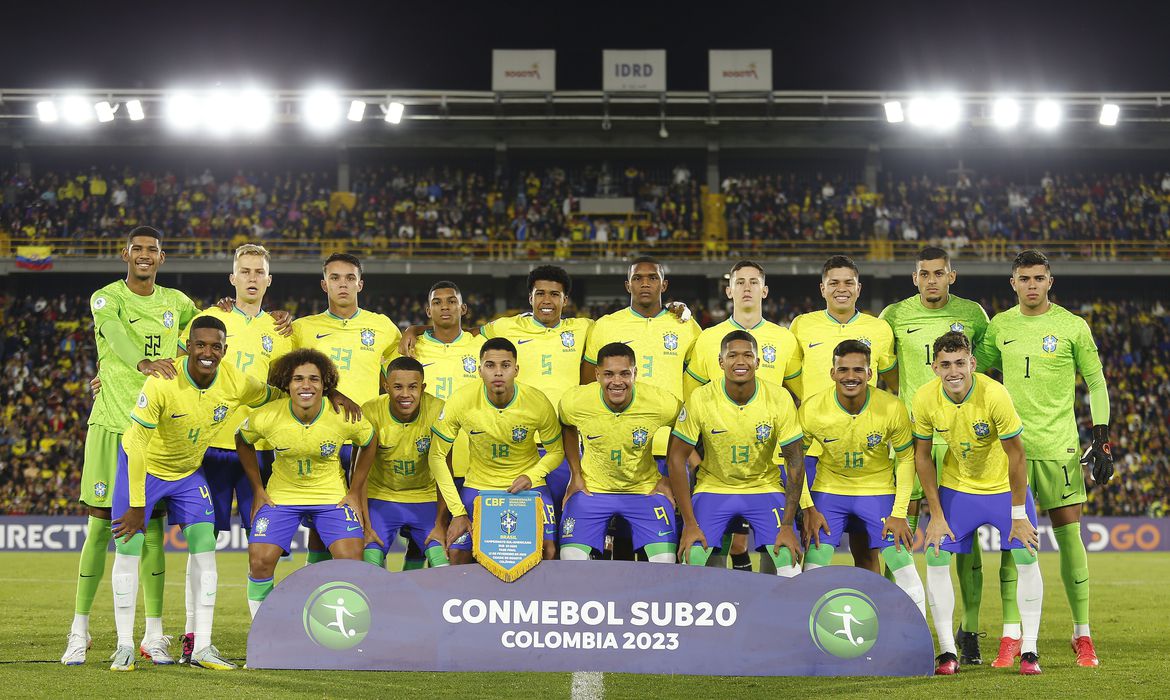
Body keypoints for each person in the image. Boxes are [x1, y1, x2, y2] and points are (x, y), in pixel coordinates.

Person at [63, 226, 200, 666]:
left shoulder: (177, 303)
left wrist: (229, 311)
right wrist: (140, 362)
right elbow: (116, 337)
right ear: (125, 253)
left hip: (156, 432)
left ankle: (154, 634)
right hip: (112, 425)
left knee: (153, 532)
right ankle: (78, 630)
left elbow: (205, 339)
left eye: (152, 251)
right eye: (137, 249)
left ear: (162, 257)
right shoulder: (107, 297)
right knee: (100, 527)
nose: (144, 256)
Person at [109, 316, 277, 671]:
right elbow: (137, 443)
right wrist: (137, 506)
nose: (207, 352)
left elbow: (272, 394)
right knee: (129, 546)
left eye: (215, 346)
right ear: (187, 347)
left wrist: (317, 392)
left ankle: (202, 646)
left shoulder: (234, 380)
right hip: (143, 467)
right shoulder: (163, 381)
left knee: (205, 547)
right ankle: (124, 645)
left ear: (224, 350)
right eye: (200, 345)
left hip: (187, 474)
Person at [976, 249, 1112, 668]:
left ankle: (1082, 634)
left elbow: (1096, 380)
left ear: (1049, 281)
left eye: (1038, 278)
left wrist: (1102, 436)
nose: (1031, 285)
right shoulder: (1000, 326)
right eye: (1024, 278)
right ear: (1012, 283)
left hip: (1059, 448)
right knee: (1012, 543)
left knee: (1070, 538)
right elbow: (972, 374)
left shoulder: (1072, 326)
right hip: (1011, 450)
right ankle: (1011, 634)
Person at [176, 243, 291, 662]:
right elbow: (174, 367)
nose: (252, 277)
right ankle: (193, 636)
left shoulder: (282, 331)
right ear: (233, 277)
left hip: (258, 452)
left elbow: (287, 390)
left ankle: (265, 639)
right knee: (201, 546)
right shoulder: (210, 320)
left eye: (259, 271)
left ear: (268, 279)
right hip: (207, 449)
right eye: (245, 271)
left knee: (262, 549)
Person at [879, 246, 993, 664]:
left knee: (963, 542)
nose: (931, 279)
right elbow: (882, 367)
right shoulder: (894, 315)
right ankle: (895, 624)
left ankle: (969, 629)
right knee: (899, 531)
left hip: (964, 446)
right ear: (914, 278)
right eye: (924, 273)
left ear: (951, 276)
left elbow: (980, 367)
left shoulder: (975, 315)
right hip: (911, 444)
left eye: (938, 273)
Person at [913, 331, 1043, 676]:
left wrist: (1018, 515)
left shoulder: (995, 395)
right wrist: (936, 515)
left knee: (1027, 554)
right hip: (958, 488)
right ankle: (946, 652)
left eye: (959, 363)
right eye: (945, 364)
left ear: (972, 363)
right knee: (936, 554)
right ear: (934, 367)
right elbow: (922, 457)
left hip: (1004, 489)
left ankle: (1029, 649)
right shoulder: (925, 399)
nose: (953, 371)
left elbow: (1017, 454)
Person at [236, 349, 376, 618]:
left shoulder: (342, 415)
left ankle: (338, 628)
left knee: (351, 562)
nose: (306, 385)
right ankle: (263, 631)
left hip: (331, 497)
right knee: (260, 561)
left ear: (325, 385)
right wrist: (258, 489)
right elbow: (242, 440)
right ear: (287, 384)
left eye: (314, 379)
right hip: (281, 496)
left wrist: (355, 491)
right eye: (298, 379)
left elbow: (369, 442)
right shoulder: (267, 416)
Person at [684, 259, 801, 572]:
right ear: (728, 289)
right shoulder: (707, 339)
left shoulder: (785, 338)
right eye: (740, 282)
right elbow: (690, 401)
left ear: (764, 290)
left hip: (770, 466)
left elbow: (799, 397)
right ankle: (717, 608)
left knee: (774, 549)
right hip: (718, 467)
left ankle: (770, 611)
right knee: (715, 546)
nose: (746, 287)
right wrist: (697, 459)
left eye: (753, 282)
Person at [667, 330, 813, 576]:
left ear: (758, 362)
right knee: (692, 556)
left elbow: (795, 461)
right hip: (714, 486)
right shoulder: (701, 398)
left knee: (788, 562)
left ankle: (775, 611)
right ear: (721, 362)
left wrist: (788, 524)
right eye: (732, 355)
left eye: (748, 355)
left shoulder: (779, 398)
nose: (740, 361)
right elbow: (676, 457)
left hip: (763, 486)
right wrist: (690, 523)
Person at [798, 340, 927, 617]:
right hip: (829, 490)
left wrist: (899, 512)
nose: (850, 376)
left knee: (904, 569)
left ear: (870, 374)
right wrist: (808, 508)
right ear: (832, 373)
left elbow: (906, 459)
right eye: (843, 369)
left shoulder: (892, 407)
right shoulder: (813, 408)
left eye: (858, 369)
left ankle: (916, 650)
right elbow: (796, 460)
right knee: (812, 569)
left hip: (877, 490)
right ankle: (806, 645)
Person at [291, 253, 400, 564]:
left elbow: (402, 369)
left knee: (365, 519)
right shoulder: (302, 328)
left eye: (350, 278)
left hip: (363, 440)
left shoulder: (382, 326)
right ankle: (315, 584)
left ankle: (362, 586)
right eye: (335, 278)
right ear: (324, 284)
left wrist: (414, 329)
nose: (343, 284)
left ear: (360, 284)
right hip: (318, 436)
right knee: (318, 519)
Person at [789, 255, 896, 573]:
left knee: (867, 550)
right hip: (812, 451)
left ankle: (873, 616)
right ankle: (805, 615)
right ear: (822, 288)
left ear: (859, 288)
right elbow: (790, 377)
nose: (841, 288)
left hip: (864, 453)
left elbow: (892, 384)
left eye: (848, 282)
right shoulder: (802, 325)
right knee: (810, 542)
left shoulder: (878, 329)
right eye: (833, 282)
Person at [429, 338, 564, 563]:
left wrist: (531, 476)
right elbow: (436, 456)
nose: (498, 372)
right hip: (479, 486)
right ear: (479, 370)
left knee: (548, 550)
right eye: (490, 365)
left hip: (529, 487)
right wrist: (458, 512)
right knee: (456, 554)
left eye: (505, 366)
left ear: (516, 370)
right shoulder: (461, 400)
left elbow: (556, 451)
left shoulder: (537, 402)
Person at [389, 281, 485, 569]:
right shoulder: (411, 349)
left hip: (471, 460)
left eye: (452, 301)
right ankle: (414, 602)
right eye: (438, 302)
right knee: (422, 540)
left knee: (462, 543)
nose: (445, 307)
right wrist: (413, 331)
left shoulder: (481, 346)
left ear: (463, 308)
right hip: (423, 460)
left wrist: (413, 327)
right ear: (427, 309)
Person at [557, 342, 681, 563]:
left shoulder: (661, 403)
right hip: (592, 490)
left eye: (625, 373)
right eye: (608, 374)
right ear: (596, 375)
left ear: (635, 373)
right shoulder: (575, 401)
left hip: (645, 490)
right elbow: (567, 425)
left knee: (665, 560)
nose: (617, 382)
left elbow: (682, 426)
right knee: (570, 557)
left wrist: (668, 475)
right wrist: (575, 474)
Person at [359, 356, 449, 569]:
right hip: (381, 496)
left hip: (424, 497)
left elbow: (445, 470)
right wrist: (367, 525)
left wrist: (440, 523)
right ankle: (381, 601)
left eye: (413, 387)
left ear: (423, 387)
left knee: (442, 561)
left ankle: (415, 598)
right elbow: (360, 473)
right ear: (386, 387)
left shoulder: (437, 410)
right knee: (370, 560)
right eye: (397, 387)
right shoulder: (371, 411)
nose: (405, 394)